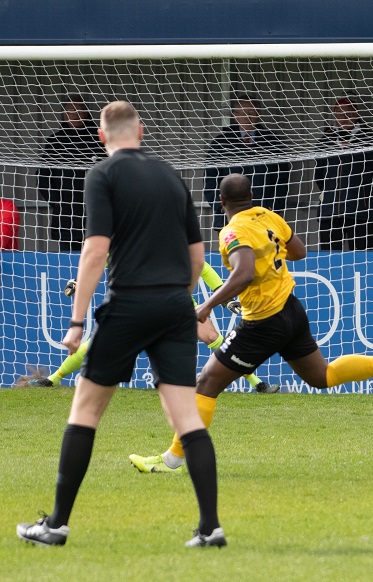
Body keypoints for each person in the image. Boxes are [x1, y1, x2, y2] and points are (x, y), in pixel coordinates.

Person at [16, 100, 225, 547]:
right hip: (173, 306)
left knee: (86, 411)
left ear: (101, 136)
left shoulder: (102, 175)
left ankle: (55, 525)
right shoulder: (172, 177)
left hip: (129, 304)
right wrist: (179, 303)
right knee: (186, 417)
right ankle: (211, 528)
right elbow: (197, 258)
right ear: (142, 131)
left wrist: (76, 321)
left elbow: (95, 251)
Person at [128, 173, 373, 474]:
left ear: (221, 202)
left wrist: (207, 304)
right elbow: (298, 252)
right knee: (321, 375)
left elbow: (244, 272)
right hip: (291, 309)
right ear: (251, 196)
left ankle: (172, 461)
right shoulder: (269, 217)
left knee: (206, 384)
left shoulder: (231, 232)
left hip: (262, 321)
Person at [20, 262, 279, 394]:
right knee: (99, 344)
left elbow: (201, 267)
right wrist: (79, 280)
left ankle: (257, 384)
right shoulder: (129, 234)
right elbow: (100, 260)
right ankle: (53, 379)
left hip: (178, 304)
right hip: (139, 306)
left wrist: (226, 297)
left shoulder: (175, 235)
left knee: (212, 336)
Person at [313, 97, 373, 250]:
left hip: (360, 213)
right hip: (329, 213)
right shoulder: (325, 141)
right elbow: (319, 177)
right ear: (334, 114)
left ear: (357, 114)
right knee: (329, 261)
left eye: (349, 113)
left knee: (363, 259)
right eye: (340, 113)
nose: (344, 118)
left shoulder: (371, 141)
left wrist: (369, 203)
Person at [203, 96, 291, 229]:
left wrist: (275, 207)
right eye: (243, 113)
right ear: (235, 115)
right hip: (228, 218)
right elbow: (210, 180)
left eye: (251, 113)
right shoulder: (221, 143)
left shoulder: (272, 142)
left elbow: (282, 179)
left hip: (264, 215)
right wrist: (220, 206)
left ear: (258, 114)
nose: (247, 117)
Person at [36, 95, 106, 251]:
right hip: (66, 213)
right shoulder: (55, 141)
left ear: (86, 113)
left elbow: (110, 173)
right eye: (70, 111)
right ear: (64, 114)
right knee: (68, 259)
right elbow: (42, 175)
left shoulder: (99, 140)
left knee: (97, 255)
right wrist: (55, 200)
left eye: (78, 111)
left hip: (94, 211)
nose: (74, 115)